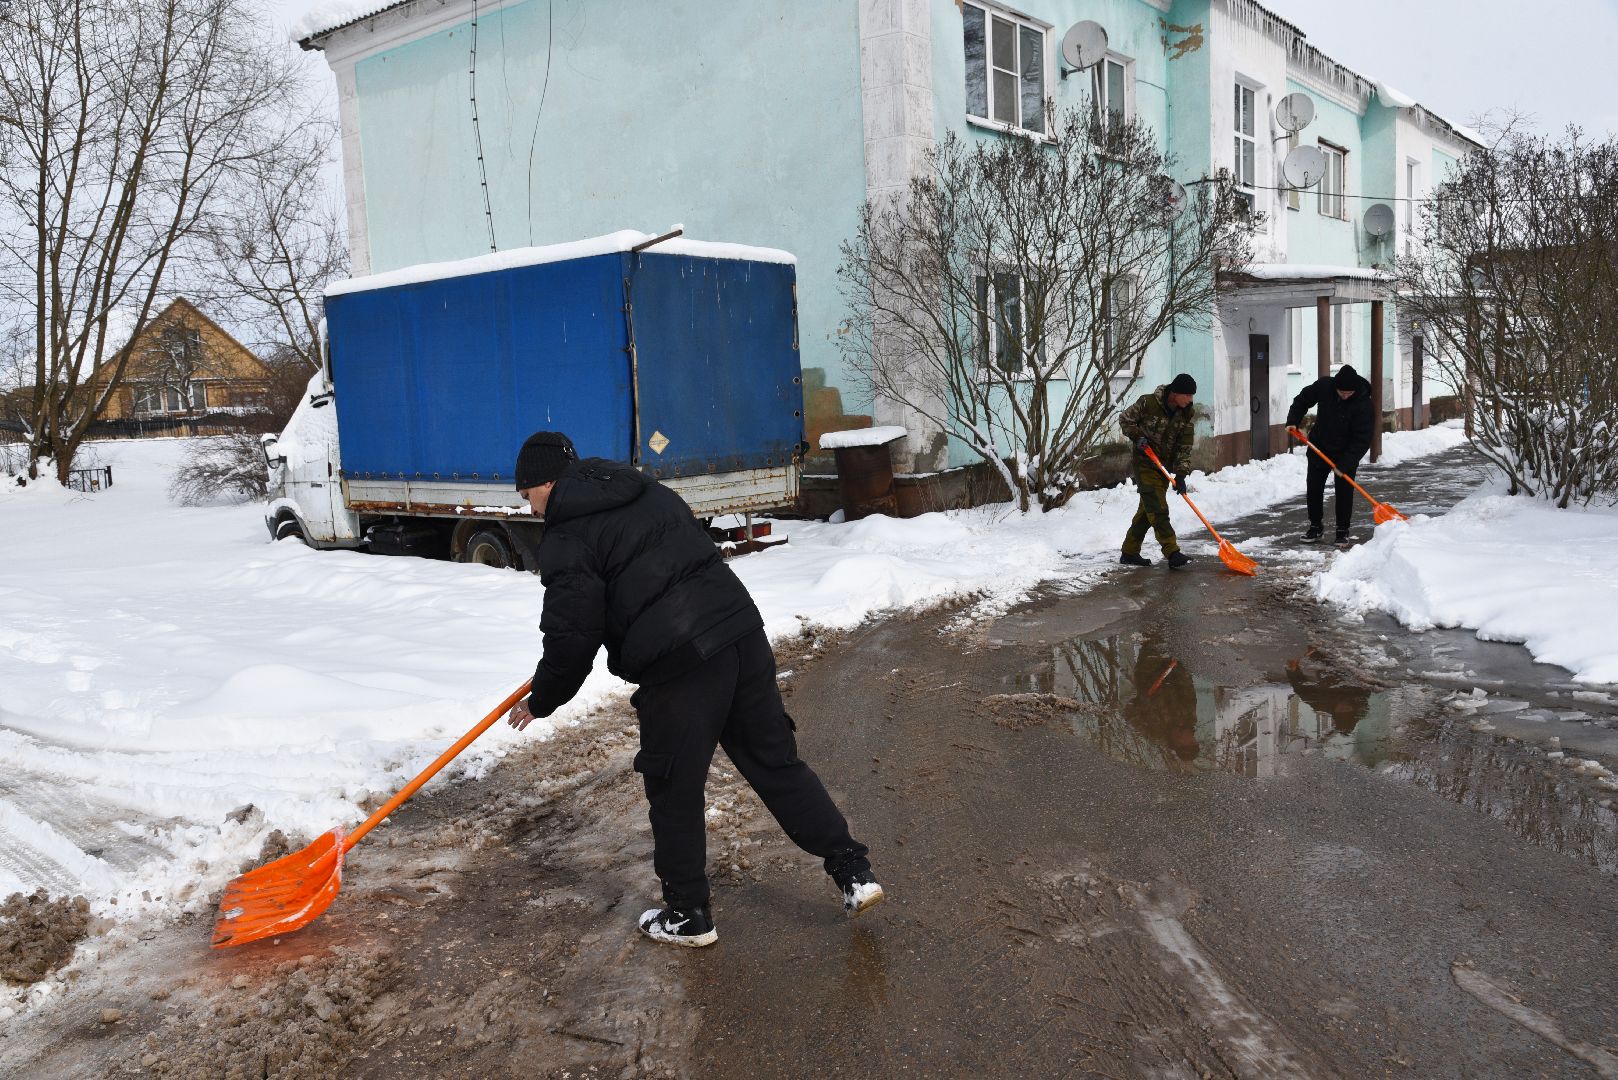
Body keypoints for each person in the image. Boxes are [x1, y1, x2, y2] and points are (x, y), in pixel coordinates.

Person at [503, 431, 882, 948]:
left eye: (528, 496)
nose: (530, 509)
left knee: (673, 787)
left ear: (545, 481)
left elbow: (572, 637)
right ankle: (853, 870)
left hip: (680, 663)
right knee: (774, 761)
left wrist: (542, 699)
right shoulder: (643, 490)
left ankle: (688, 915)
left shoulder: (568, 536)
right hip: (740, 633)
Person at [1285, 364, 1374, 545]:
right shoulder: (1325, 387)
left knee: (1344, 492)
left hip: (1346, 452)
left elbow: (1362, 439)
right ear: (1336, 387)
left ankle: (1342, 530)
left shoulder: (1364, 403)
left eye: (1349, 393)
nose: (1345, 396)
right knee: (1314, 489)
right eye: (1342, 392)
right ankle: (1315, 527)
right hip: (1320, 447)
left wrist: (1345, 464)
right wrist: (1292, 421)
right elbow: (1302, 399)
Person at [1118, 373, 1198, 569]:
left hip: (1164, 467)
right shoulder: (1148, 403)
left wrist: (1180, 474)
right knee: (1158, 509)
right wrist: (1137, 437)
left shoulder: (1186, 413)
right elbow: (1125, 419)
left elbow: (1184, 446)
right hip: (1145, 462)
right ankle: (1172, 552)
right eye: (1187, 395)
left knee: (1148, 511)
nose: (1190, 400)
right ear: (1175, 393)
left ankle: (1129, 552)